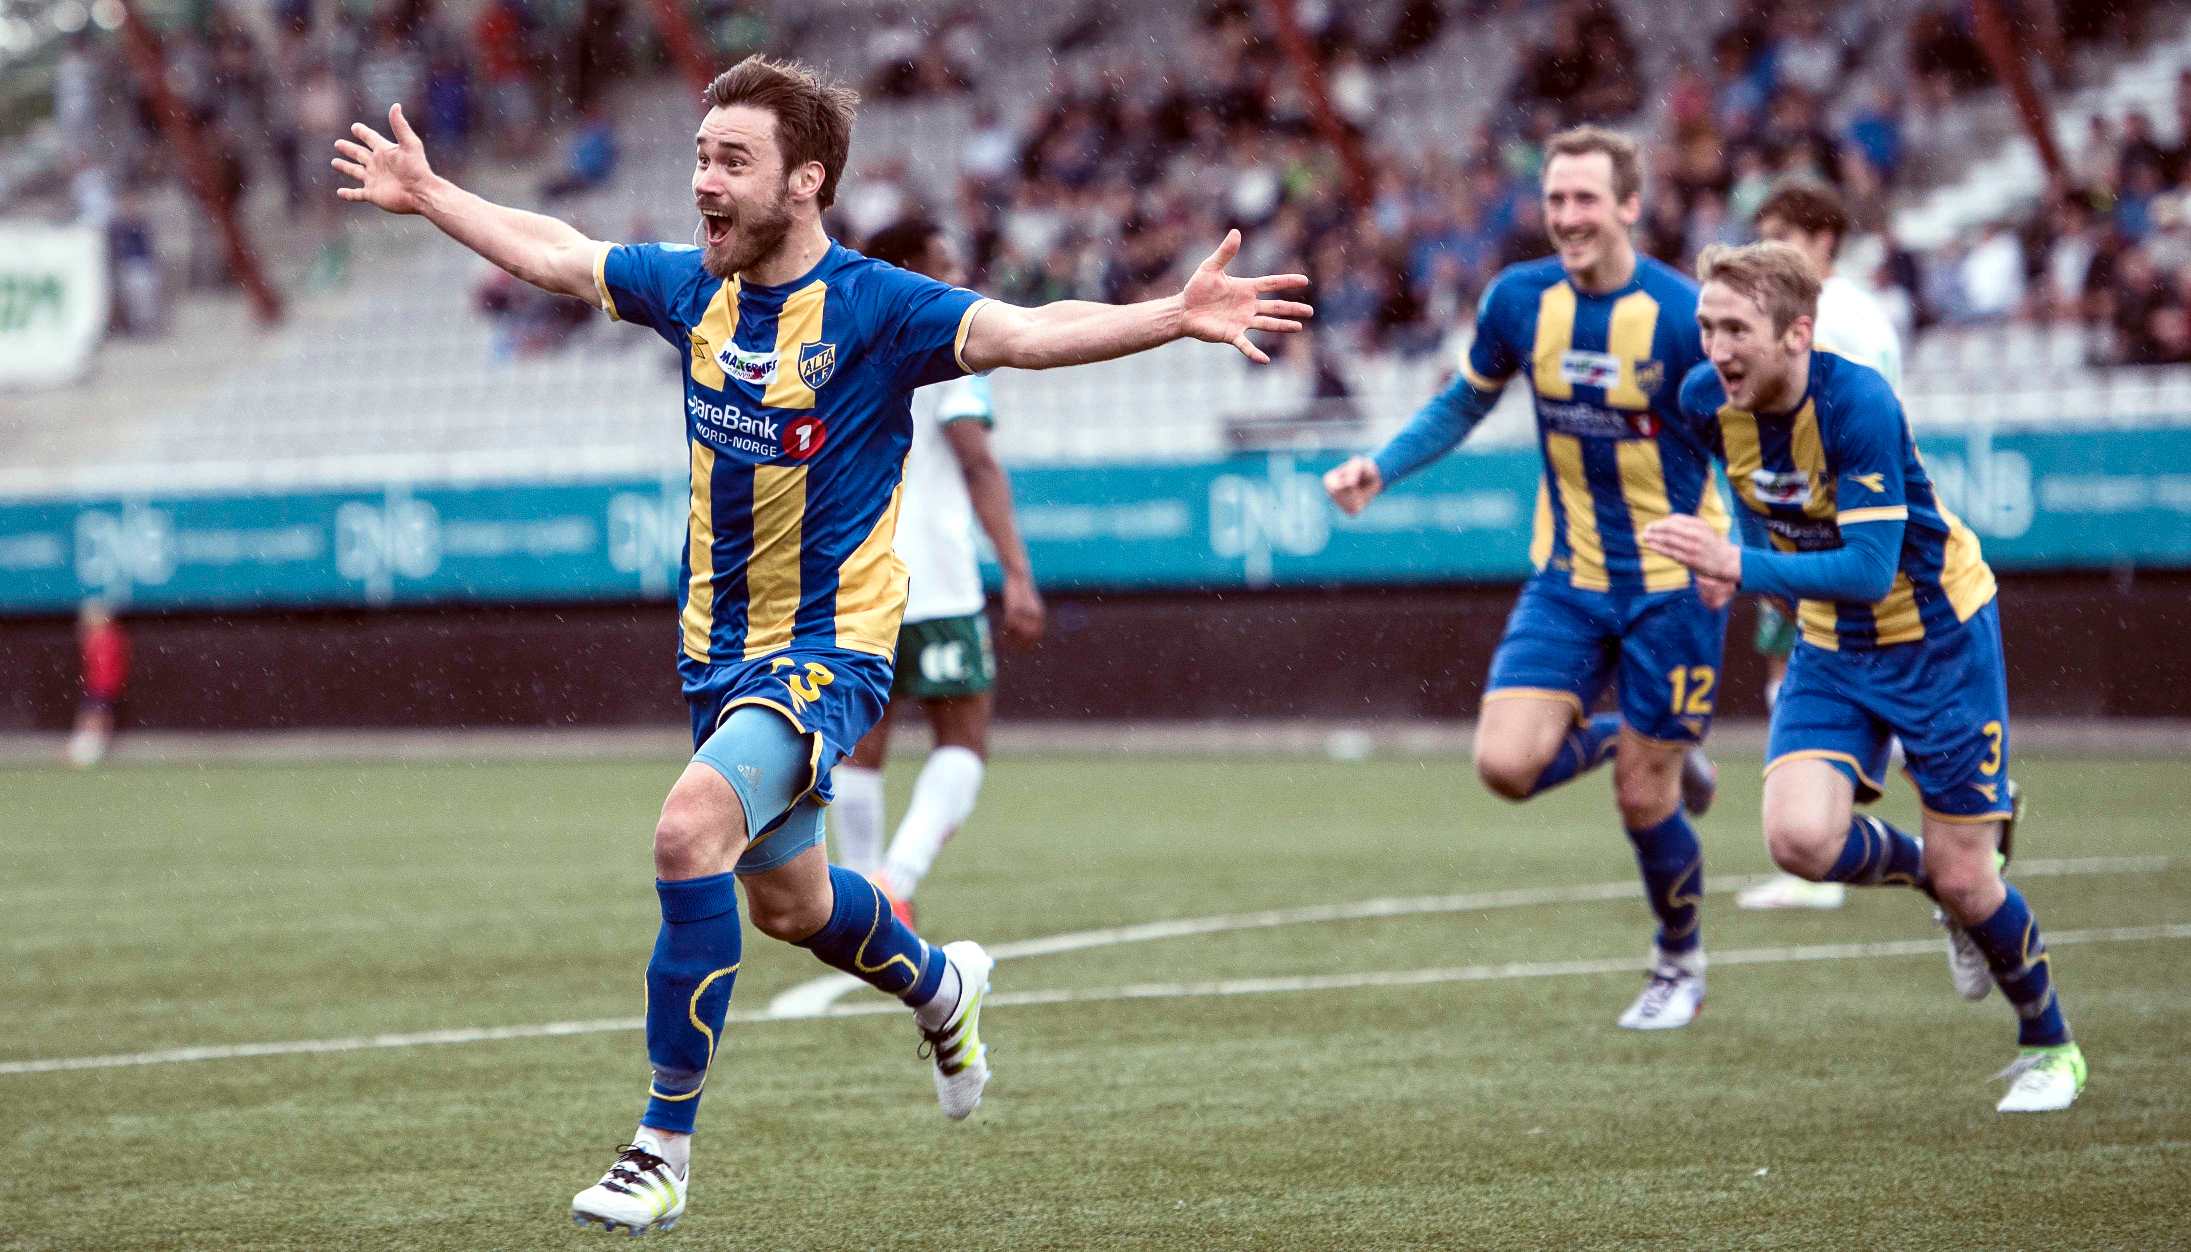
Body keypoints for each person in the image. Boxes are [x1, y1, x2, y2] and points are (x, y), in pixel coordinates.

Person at [331, 56, 1309, 1236]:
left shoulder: (879, 308)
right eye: (700, 157)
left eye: (732, 162)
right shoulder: (690, 287)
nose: (704, 182)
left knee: (686, 831)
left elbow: (1024, 331)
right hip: (715, 654)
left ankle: (659, 1150)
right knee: (791, 909)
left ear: (805, 182)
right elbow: (557, 250)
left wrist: (1169, 315)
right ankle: (943, 985)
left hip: (828, 652)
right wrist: (432, 194)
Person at [1643, 241, 2084, 1113]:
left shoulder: (1857, 403)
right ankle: (1932, 876)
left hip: (1938, 640)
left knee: (1973, 881)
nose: (1715, 349)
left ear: (1796, 333)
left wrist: (1737, 565)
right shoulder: (1703, 399)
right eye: (1706, 327)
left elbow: (1871, 570)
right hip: (1832, 643)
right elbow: (1738, 490)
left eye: (1735, 330)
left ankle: (2050, 1046)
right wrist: (1732, 553)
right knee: (1798, 842)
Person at [1323, 126, 1728, 1032]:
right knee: (1505, 767)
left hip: (1672, 584)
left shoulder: (1681, 315)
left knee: (1642, 798)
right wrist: (1381, 467)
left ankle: (1678, 962)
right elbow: (1464, 400)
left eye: (1586, 199)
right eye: (1555, 200)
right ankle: (1644, 740)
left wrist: (1731, 550)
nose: (1568, 217)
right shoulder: (1518, 299)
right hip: (1566, 579)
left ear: (1629, 205)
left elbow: (1739, 443)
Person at [832, 218, 1046, 927]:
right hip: (936, 580)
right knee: (963, 742)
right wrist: (1017, 573)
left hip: (858, 577)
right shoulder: (951, 344)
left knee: (861, 745)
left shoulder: (841, 338)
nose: (958, 279)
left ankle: (858, 895)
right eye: (944, 265)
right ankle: (895, 883)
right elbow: (975, 458)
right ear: (906, 269)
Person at [1738, 179, 1904, 912]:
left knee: (1819, 667)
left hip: (1825, 524)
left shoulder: (1830, 317)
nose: (1768, 250)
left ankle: (1823, 846)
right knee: (1810, 664)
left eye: (1782, 236)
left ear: (1822, 240)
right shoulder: (1858, 311)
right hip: (1825, 520)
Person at [67, 601, 129, 768]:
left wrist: (105, 683)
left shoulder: (108, 638)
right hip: (97, 683)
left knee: (96, 715)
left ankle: (91, 750)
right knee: (92, 714)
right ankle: (87, 748)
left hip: (103, 684)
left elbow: (108, 665)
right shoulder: (97, 637)